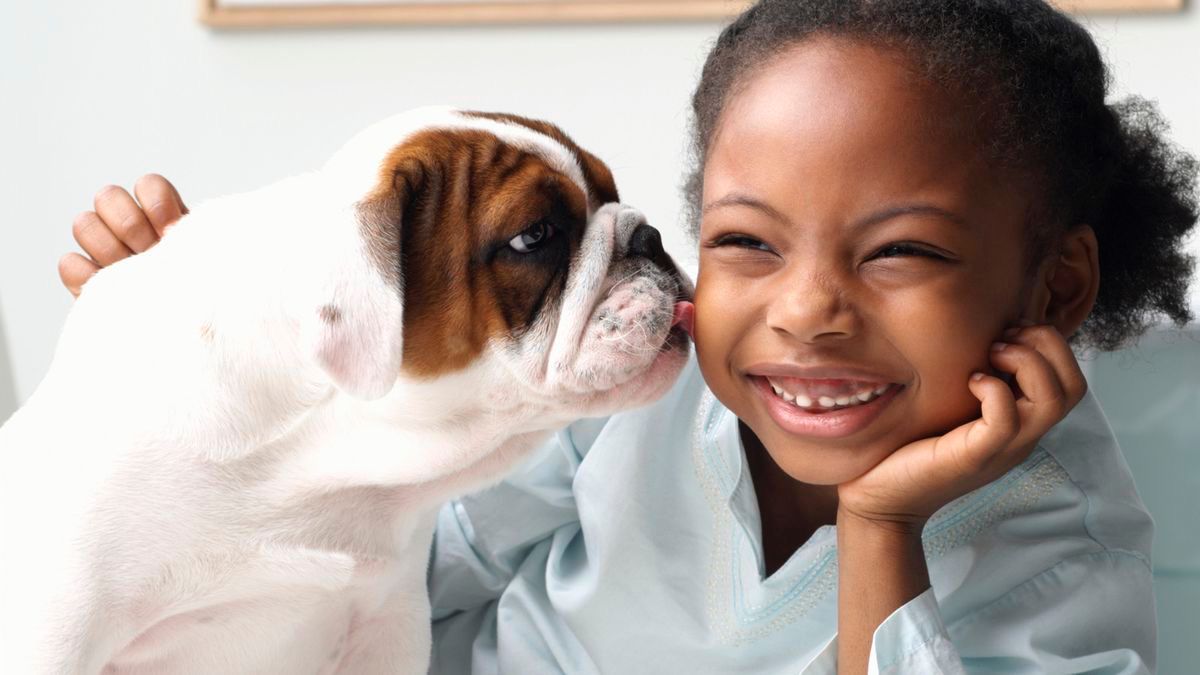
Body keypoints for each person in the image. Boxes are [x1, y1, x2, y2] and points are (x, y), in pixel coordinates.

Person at [61, 0, 1197, 672]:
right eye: (749, 242)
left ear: (1055, 287)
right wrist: (201, 351)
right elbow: (394, 577)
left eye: (900, 253)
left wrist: (881, 526)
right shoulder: (634, 387)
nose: (804, 311)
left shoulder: (1068, 542)